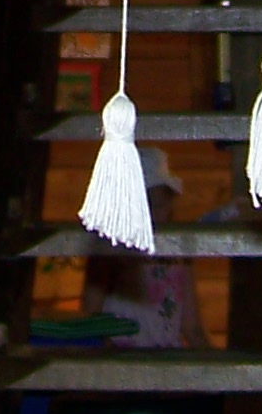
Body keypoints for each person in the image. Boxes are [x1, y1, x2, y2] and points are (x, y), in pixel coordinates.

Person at [82, 147, 210, 349]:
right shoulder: (109, 250)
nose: (151, 215)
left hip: (166, 359)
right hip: (122, 358)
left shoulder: (178, 254)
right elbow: (91, 317)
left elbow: (192, 327)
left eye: (158, 205)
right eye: (144, 205)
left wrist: (213, 364)